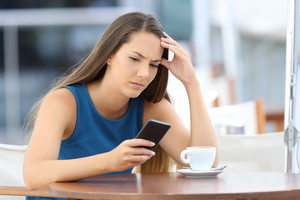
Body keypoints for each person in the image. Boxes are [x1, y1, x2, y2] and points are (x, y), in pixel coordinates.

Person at [23, 12, 218, 200]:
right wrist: (109, 161)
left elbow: (205, 166)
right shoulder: (64, 102)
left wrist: (192, 84)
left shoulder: (149, 108)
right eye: (135, 59)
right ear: (109, 55)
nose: (144, 74)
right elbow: (33, 176)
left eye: (153, 65)